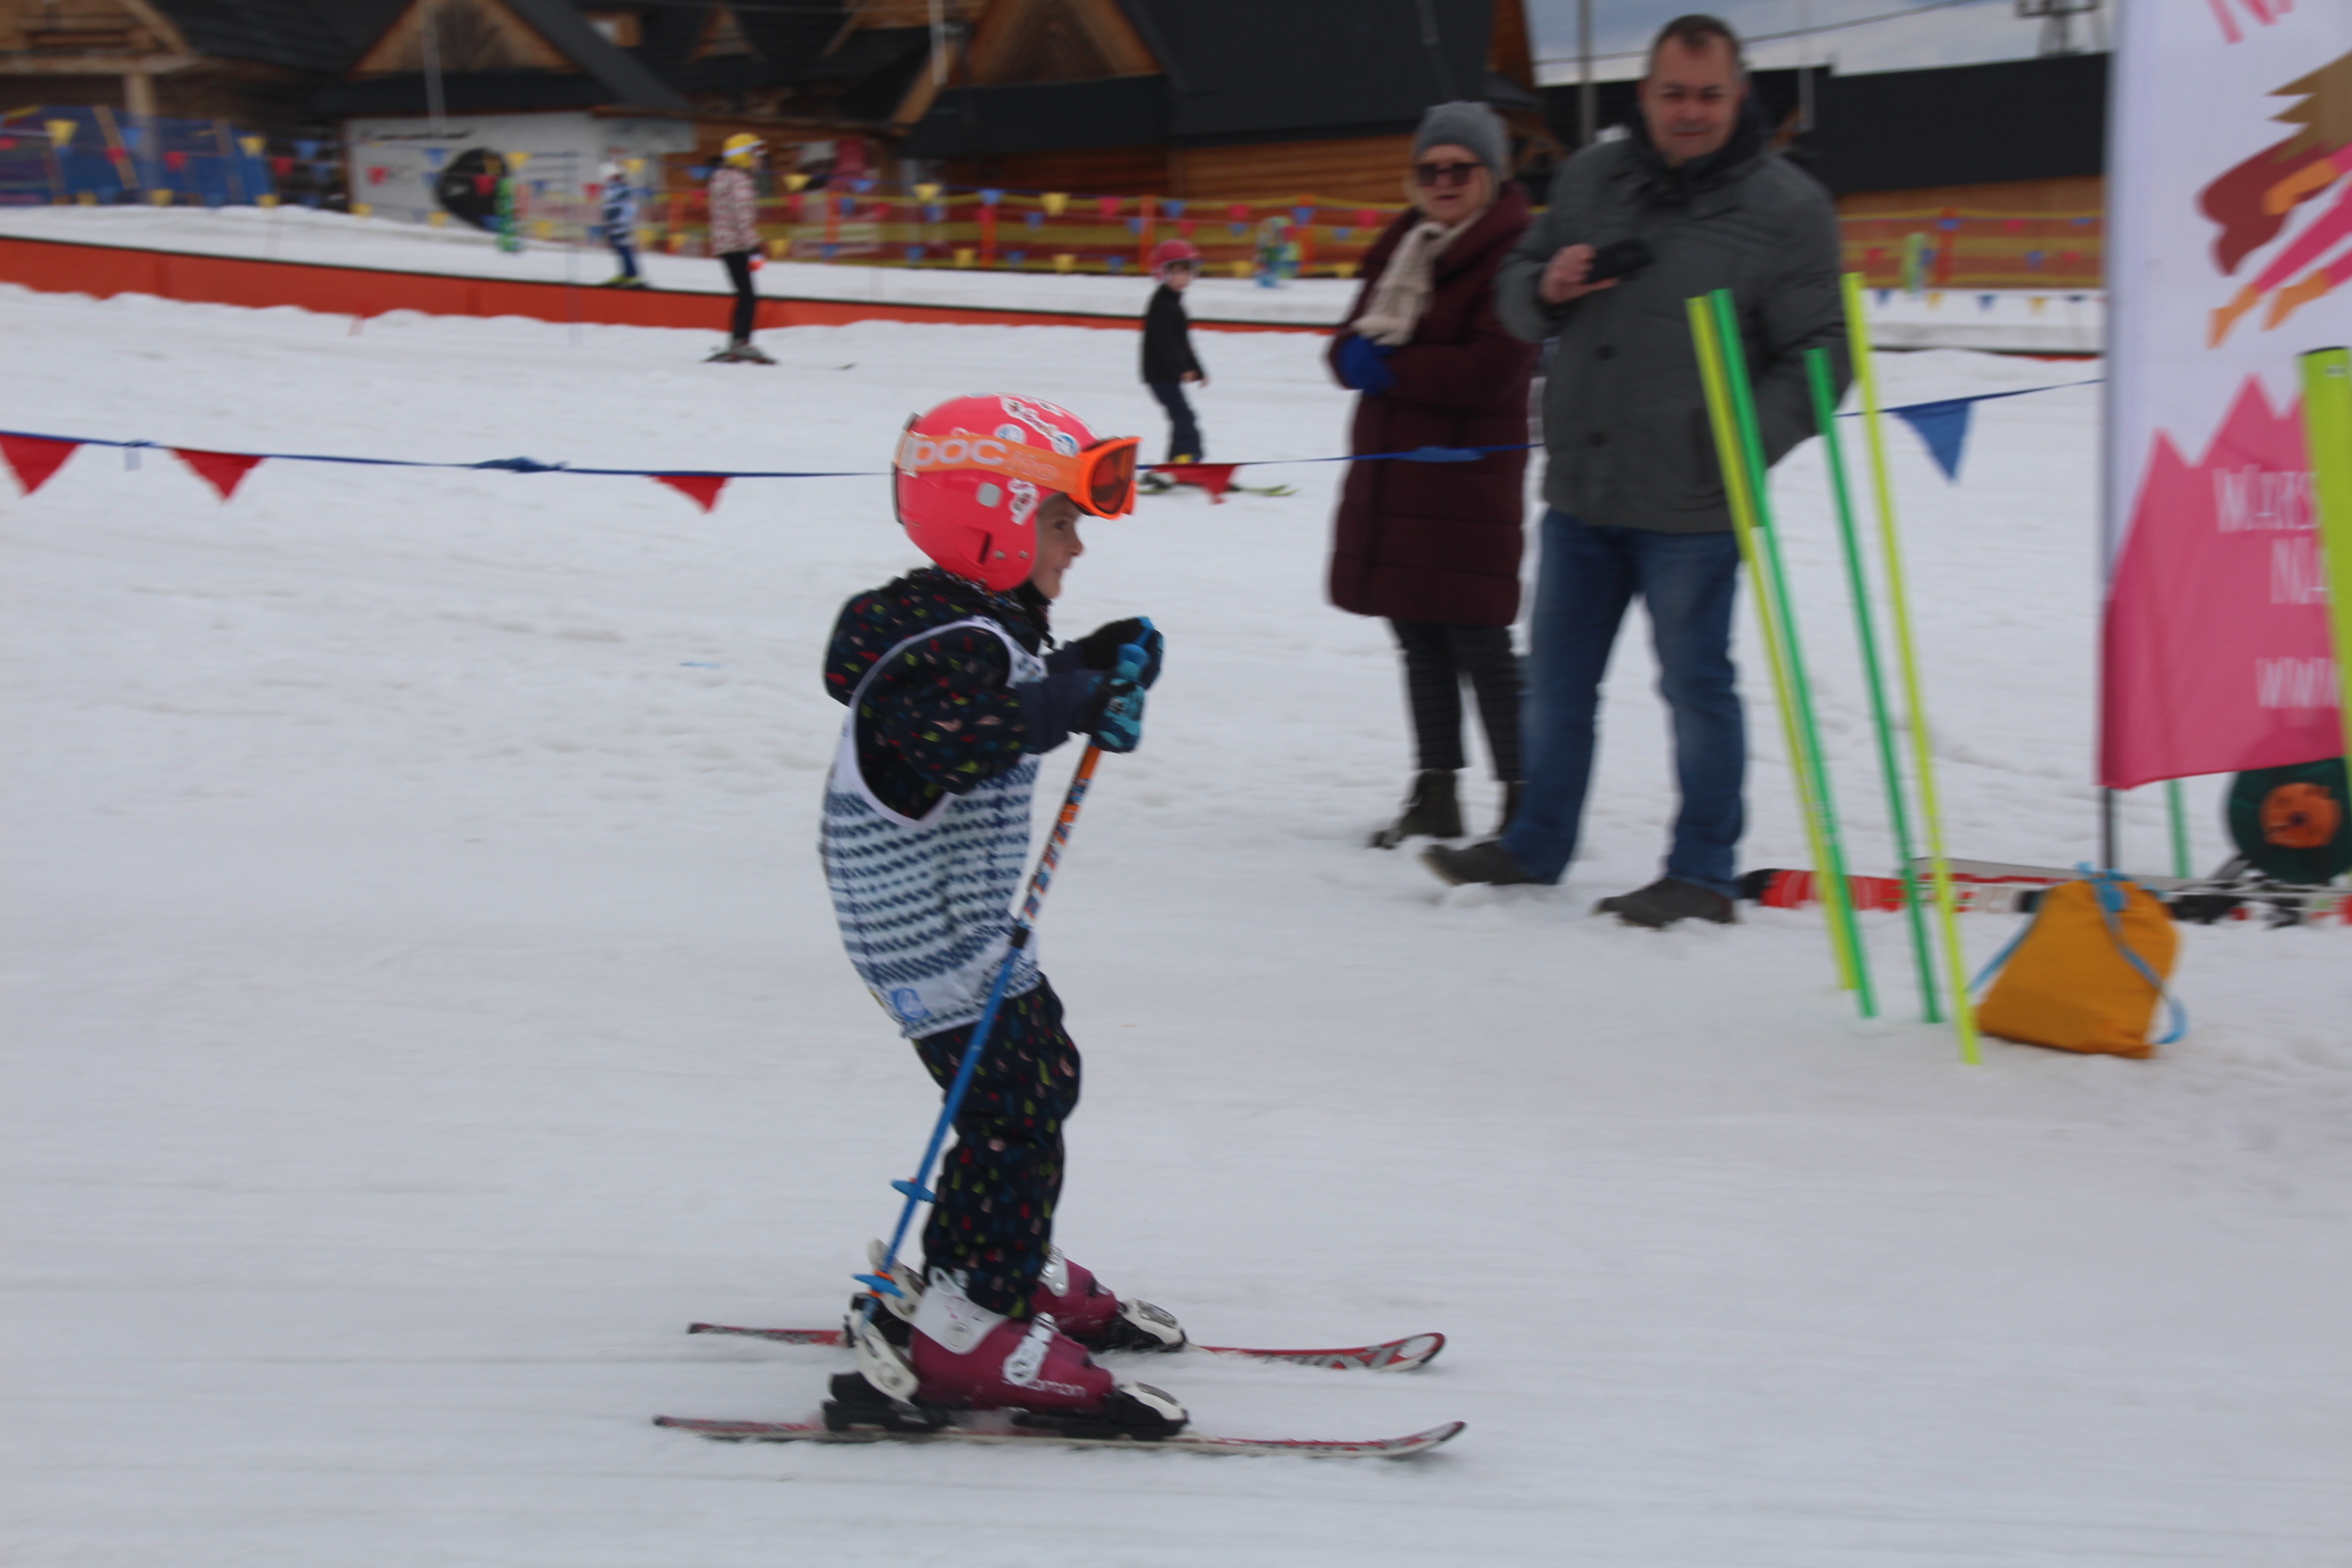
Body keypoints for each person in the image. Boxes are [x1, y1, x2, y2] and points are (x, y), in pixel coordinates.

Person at [1422, 15, 1847, 928]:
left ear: (1739, 98)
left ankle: (1701, 871)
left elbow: (1823, 354)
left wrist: (1733, 443)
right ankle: (1535, 844)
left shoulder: (1788, 209)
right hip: (1584, 486)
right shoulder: (1591, 178)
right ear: (1645, 96)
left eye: (1709, 95)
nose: (1690, 112)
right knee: (1555, 683)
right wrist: (1546, 289)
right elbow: (1517, 288)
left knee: (1695, 689)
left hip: (1694, 502)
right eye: (1673, 93)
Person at [817, 394, 1187, 1437]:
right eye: (1061, 523)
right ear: (997, 524)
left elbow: (1007, 694)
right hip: (923, 928)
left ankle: (998, 1264)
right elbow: (958, 736)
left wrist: (1095, 662)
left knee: (1033, 1078)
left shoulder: (972, 631)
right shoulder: (942, 649)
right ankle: (968, 1324)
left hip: (962, 923)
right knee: (1015, 1100)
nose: (1077, 546)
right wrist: (1074, 700)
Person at [1327, 102, 1539, 849]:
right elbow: (1344, 345)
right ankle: (1436, 794)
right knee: (1418, 637)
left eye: (1460, 168)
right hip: (1396, 480)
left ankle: (1526, 803)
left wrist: (1392, 369)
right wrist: (1352, 357)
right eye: (1430, 169)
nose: (1444, 181)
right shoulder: (1403, 243)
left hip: (1465, 483)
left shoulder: (1515, 253)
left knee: (1480, 642)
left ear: (1493, 175)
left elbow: (1491, 370)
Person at [1139, 238, 1207, 478]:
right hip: (1160, 374)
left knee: (1181, 416)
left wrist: (1197, 369)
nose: (1184, 278)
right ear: (1163, 273)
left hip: (1166, 374)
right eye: (1179, 272)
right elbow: (1165, 344)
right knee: (1183, 417)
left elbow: (1183, 342)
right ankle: (1185, 461)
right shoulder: (1162, 304)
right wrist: (1181, 369)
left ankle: (1178, 463)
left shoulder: (1173, 303)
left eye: (1188, 272)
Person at [704, 134, 771, 363]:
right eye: (756, 155)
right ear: (742, 156)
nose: (760, 160)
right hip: (739, 244)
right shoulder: (740, 181)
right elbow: (743, 217)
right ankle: (741, 342)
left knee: (744, 294)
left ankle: (738, 342)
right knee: (748, 296)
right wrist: (754, 247)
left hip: (725, 244)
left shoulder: (720, 178)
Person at [596, 151, 644, 289]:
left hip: (621, 223)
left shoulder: (622, 188)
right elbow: (609, 206)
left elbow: (629, 207)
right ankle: (625, 274)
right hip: (613, 223)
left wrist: (622, 221)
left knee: (624, 248)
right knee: (618, 249)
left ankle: (633, 275)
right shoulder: (611, 188)